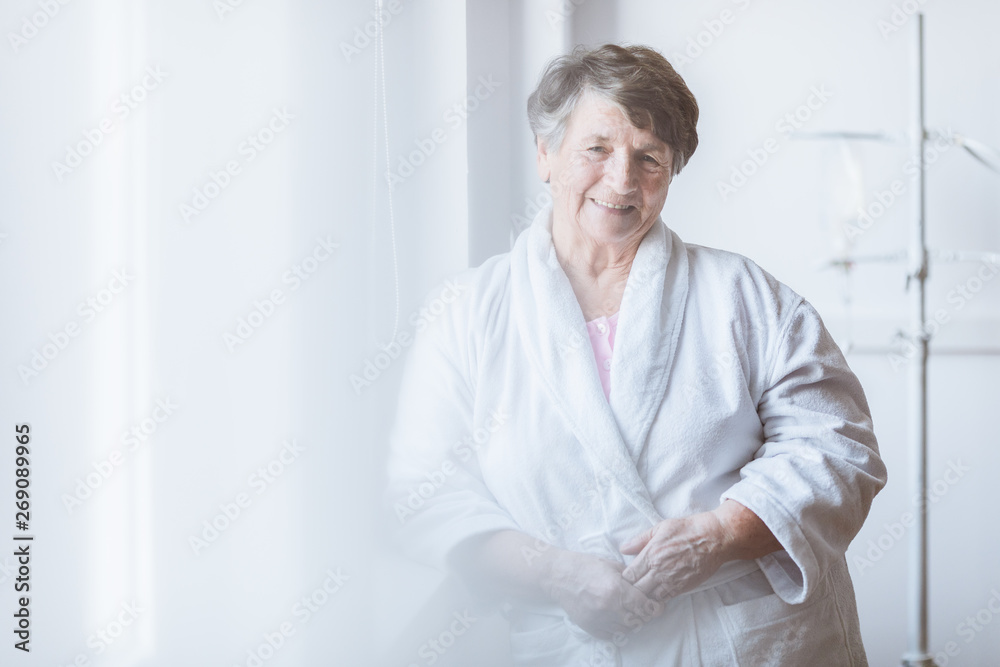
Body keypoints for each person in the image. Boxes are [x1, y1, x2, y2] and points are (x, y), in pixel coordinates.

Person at [386, 43, 887, 666]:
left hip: (738, 642)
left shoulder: (745, 296)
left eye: (649, 157)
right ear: (545, 153)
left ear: (672, 171)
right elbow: (425, 493)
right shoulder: (462, 314)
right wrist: (557, 575)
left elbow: (838, 448)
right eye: (596, 149)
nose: (622, 179)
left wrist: (722, 535)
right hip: (569, 645)